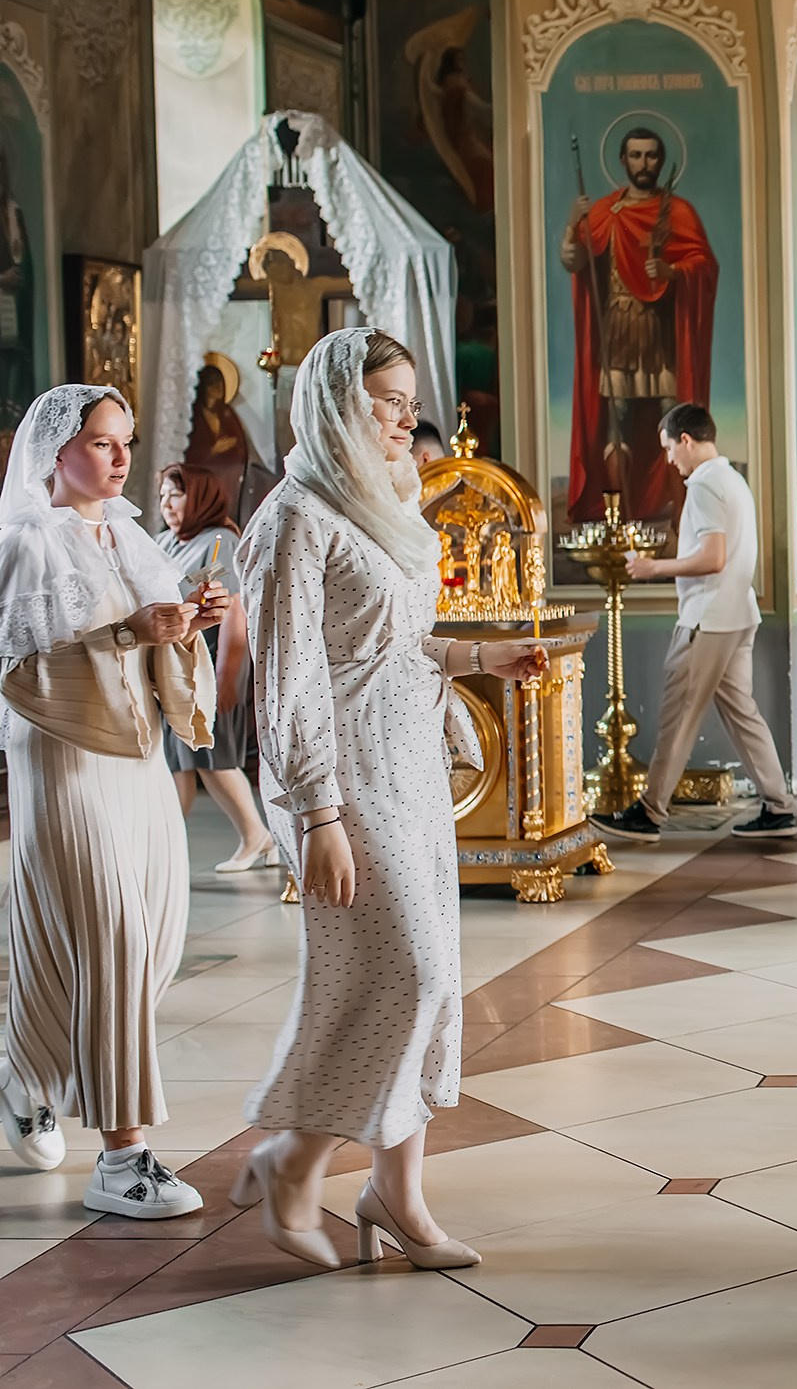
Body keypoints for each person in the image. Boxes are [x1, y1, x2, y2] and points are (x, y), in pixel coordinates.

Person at [234, 328, 547, 1269]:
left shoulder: (386, 496)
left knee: (426, 975)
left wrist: (480, 655)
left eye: (412, 399)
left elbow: (397, 641)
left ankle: (397, 1195)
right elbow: (287, 681)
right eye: (389, 400)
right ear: (339, 403)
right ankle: (293, 1161)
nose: (408, 417)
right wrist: (318, 814)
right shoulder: (294, 518)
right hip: (337, 774)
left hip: (408, 761)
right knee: (405, 975)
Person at [0, 385, 222, 1215]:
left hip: (137, 755)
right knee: (115, 940)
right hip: (64, 758)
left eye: (124, 439)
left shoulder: (130, 536)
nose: (121, 456)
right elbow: (17, 671)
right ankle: (123, 1159)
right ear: (55, 452)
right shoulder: (27, 543)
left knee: (153, 939)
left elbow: (151, 649)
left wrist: (187, 625)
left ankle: (22, 1069)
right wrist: (133, 631)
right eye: (100, 441)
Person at [596, 404, 797, 841]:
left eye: (669, 448)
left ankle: (649, 813)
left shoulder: (705, 485)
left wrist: (653, 567)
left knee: (678, 717)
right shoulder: (733, 480)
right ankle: (779, 807)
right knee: (743, 715)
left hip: (707, 621)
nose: (669, 459)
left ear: (685, 440)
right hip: (737, 615)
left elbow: (713, 558)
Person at [562, 127, 721, 524]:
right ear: (623, 160)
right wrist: (571, 226)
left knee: (674, 418)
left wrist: (673, 270)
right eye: (636, 155)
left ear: (660, 160)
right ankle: (617, 519)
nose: (644, 163)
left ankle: (681, 515)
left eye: (651, 155)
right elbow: (574, 261)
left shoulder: (678, 212)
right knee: (617, 424)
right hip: (618, 327)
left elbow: (704, 264)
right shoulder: (606, 212)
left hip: (660, 333)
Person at [154, 463, 274, 873]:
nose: (167, 504)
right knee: (179, 760)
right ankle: (166, 845)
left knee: (214, 758)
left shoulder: (220, 541)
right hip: (174, 670)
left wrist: (226, 676)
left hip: (209, 666)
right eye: (163, 496)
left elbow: (234, 612)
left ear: (200, 496)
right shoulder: (164, 542)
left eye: (176, 494)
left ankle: (256, 837)